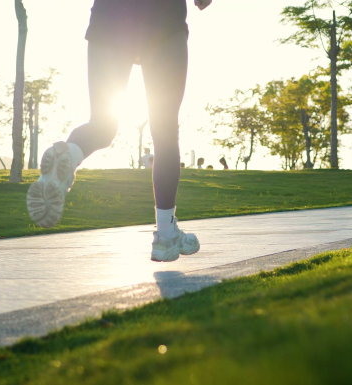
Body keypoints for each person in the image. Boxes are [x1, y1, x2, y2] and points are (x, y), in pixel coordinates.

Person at [26, 0, 213, 262]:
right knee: (165, 131)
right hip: (162, 17)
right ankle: (166, 234)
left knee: (103, 124)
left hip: (110, 15)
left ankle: (69, 154)